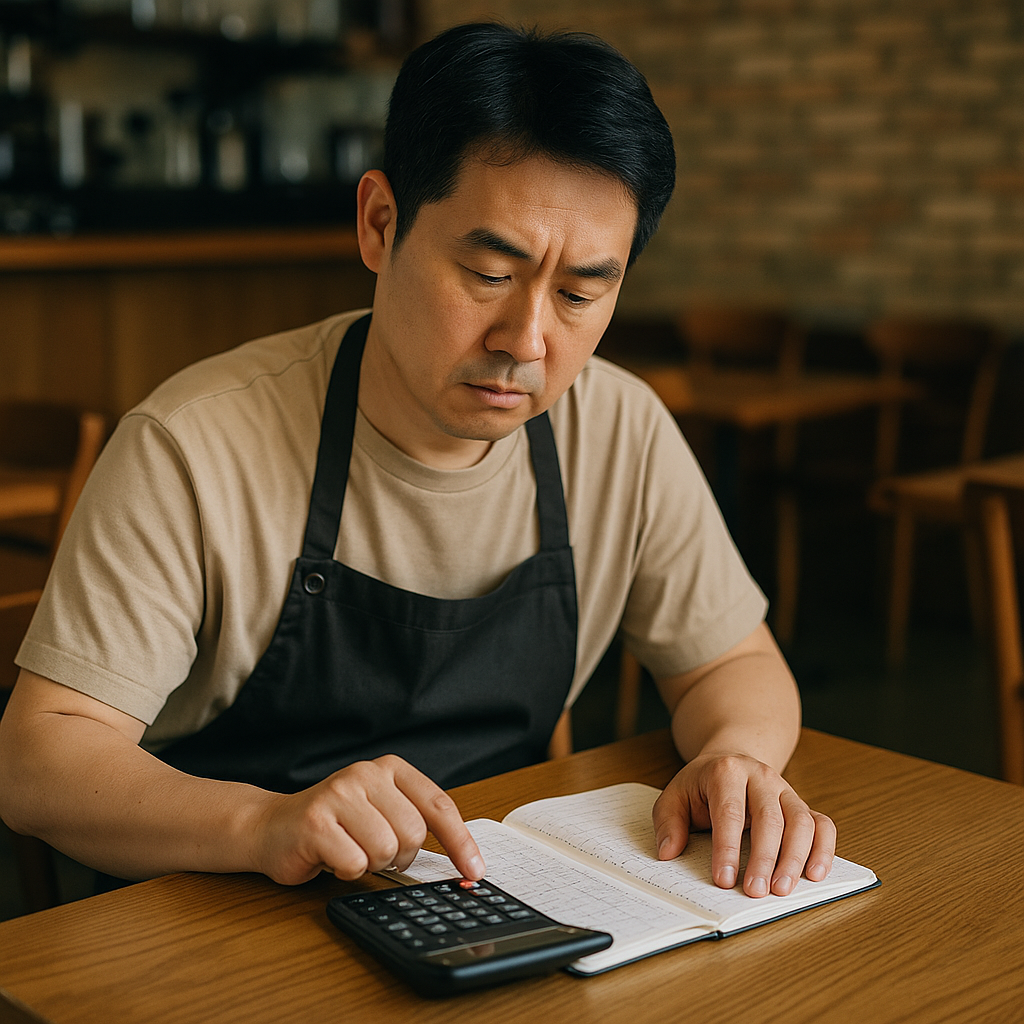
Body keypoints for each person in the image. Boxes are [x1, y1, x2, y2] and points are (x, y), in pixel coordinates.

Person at [0, 23, 835, 901]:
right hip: (210, 905)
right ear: (379, 223)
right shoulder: (195, 446)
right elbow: (40, 758)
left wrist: (735, 758)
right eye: (486, 273)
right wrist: (264, 823)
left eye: (582, 293)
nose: (527, 341)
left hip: (484, 898)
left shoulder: (618, 427)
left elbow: (730, 664)